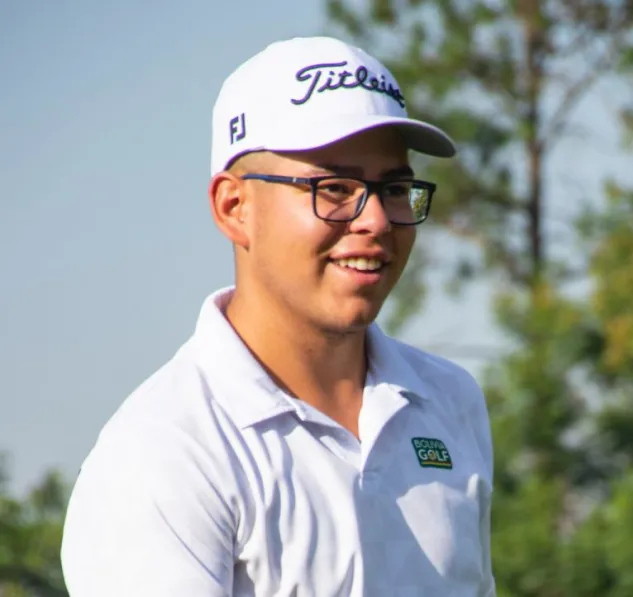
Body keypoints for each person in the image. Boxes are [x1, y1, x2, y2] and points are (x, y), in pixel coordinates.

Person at [60, 36, 496, 597]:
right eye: (334, 188)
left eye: (394, 188)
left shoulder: (451, 402)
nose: (377, 221)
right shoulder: (163, 450)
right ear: (234, 208)